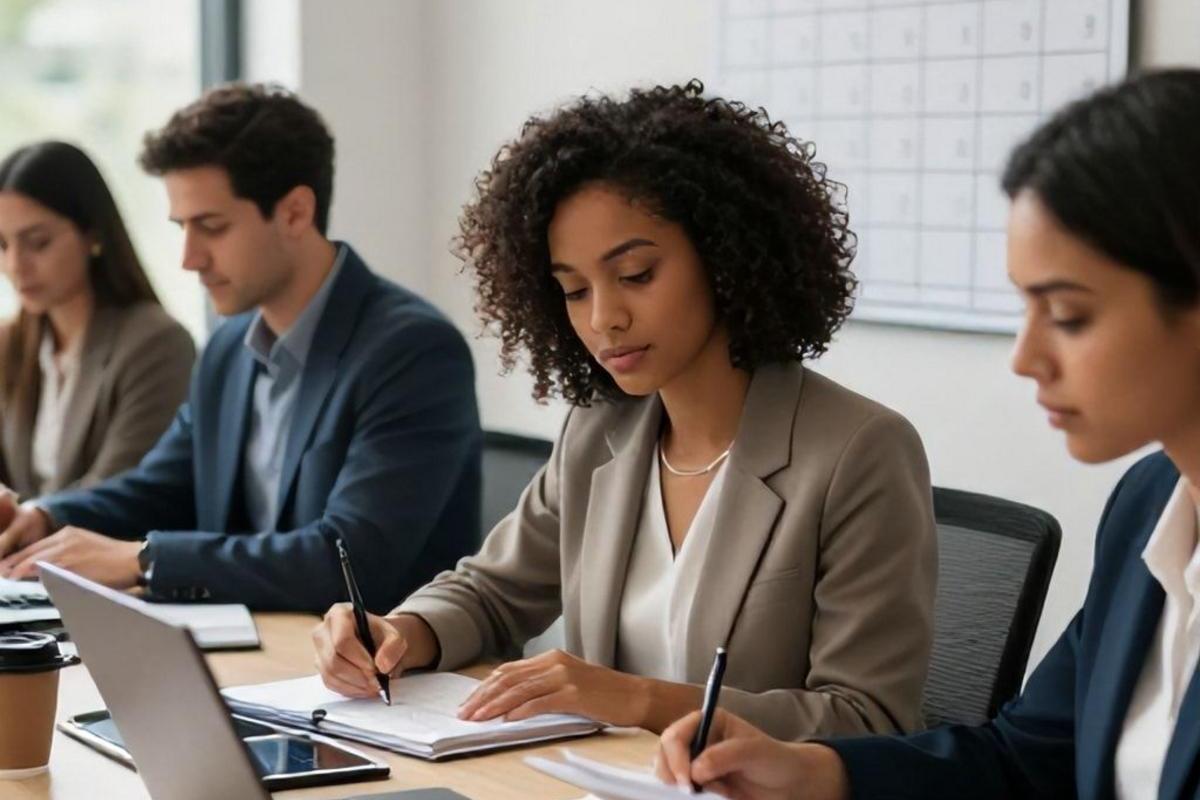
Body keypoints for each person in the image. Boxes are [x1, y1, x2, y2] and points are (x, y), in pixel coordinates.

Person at [313, 80, 936, 740]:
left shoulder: (860, 451)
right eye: (574, 291)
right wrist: (402, 632)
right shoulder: (600, 433)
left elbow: (869, 719)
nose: (603, 318)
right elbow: (492, 593)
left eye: (636, 275)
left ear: (725, 256)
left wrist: (636, 700)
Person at [655, 68, 1200, 800]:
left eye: (1068, 315)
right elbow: (1025, 760)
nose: (1025, 357)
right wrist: (820, 770)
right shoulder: (1152, 500)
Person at [0, 84, 482, 613]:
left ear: (296, 212)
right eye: (181, 227)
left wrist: (146, 560)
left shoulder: (412, 352)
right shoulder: (230, 348)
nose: (189, 258)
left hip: (388, 676)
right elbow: (161, 486)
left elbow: (350, 560)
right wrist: (45, 516)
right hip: (265, 654)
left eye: (211, 227)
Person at [0, 141, 193, 505]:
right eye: (2, 245)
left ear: (93, 234)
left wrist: (27, 520)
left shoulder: (155, 343)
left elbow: (120, 494)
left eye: (37, 243)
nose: (15, 265)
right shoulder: (9, 345)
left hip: (102, 556)